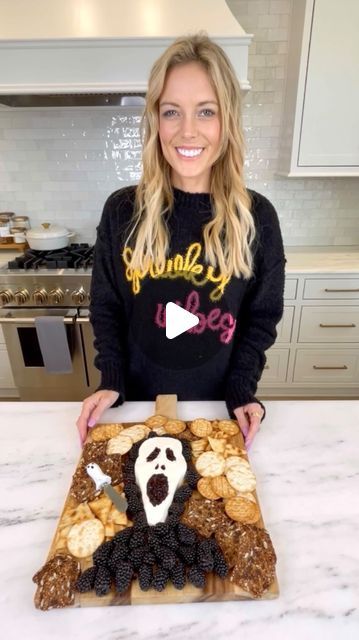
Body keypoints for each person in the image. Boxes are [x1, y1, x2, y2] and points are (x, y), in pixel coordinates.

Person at [76, 33, 285, 449]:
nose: (188, 132)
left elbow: (260, 319)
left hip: (217, 412)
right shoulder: (122, 211)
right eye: (172, 112)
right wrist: (111, 381)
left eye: (205, 111)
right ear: (155, 119)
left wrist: (242, 391)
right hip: (134, 409)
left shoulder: (256, 218)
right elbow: (107, 306)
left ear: (227, 120)